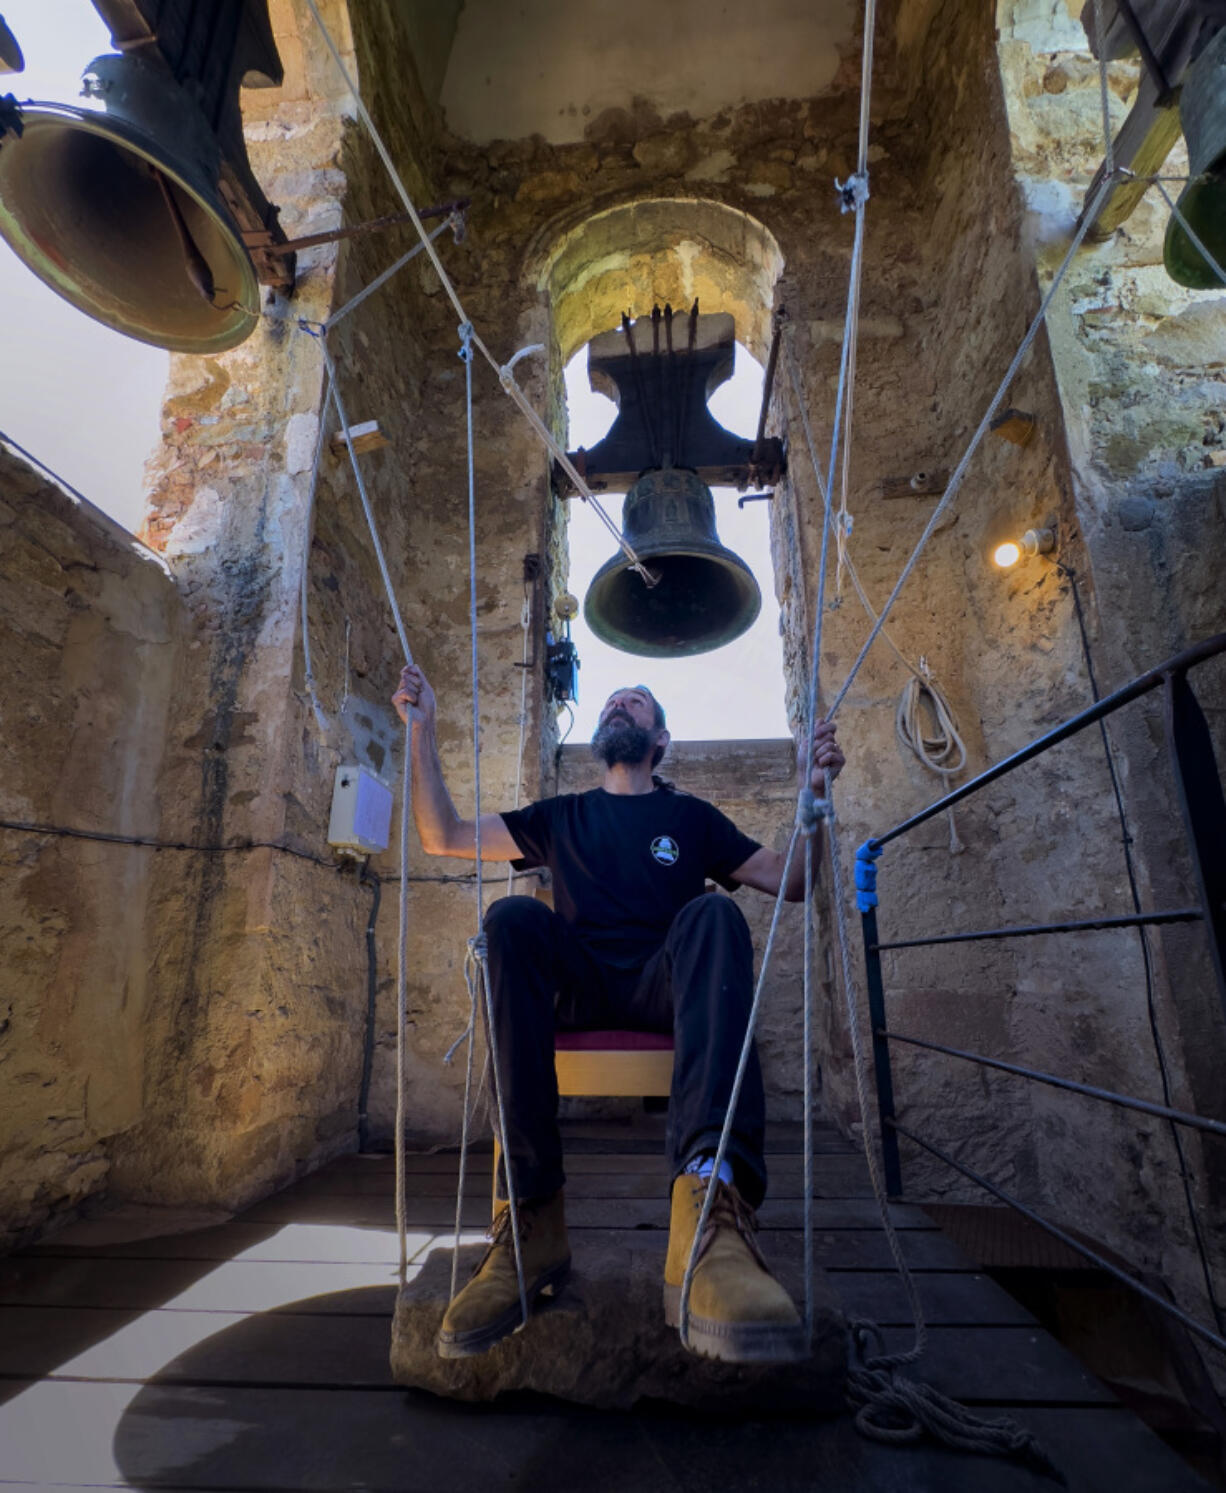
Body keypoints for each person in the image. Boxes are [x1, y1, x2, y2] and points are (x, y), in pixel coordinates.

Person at [392, 666, 844, 1364]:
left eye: (634, 701)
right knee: (511, 917)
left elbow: (794, 880)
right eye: (611, 699)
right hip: (581, 979)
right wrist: (420, 729)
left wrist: (814, 796)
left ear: (659, 737)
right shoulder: (561, 814)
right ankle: (531, 1223)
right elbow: (442, 834)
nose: (616, 703)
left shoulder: (689, 817)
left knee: (716, 913)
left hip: (662, 981)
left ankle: (709, 1219)